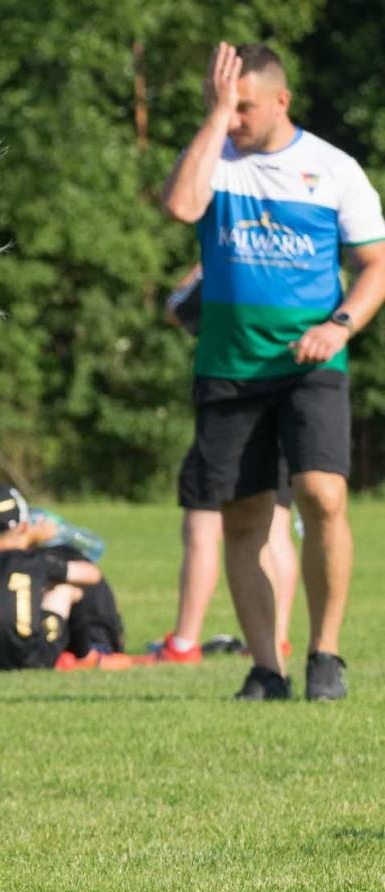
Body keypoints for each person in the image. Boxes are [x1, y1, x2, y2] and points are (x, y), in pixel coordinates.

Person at [161, 42, 385, 699]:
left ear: (282, 101)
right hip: (228, 368)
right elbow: (180, 207)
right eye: (223, 105)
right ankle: (267, 667)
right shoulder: (211, 159)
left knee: (322, 494)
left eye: (245, 108)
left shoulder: (332, 167)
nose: (233, 120)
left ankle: (326, 655)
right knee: (243, 516)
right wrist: (216, 114)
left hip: (309, 362)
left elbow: (376, 264)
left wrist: (337, 325)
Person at [153, 264, 300, 665]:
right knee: (277, 528)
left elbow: (174, 306)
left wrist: (202, 263)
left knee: (202, 527)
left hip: (232, 401)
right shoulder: (288, 271)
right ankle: (275, 638)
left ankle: (184, 641)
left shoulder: (228, 266)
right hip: (288, 397)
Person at [0, 486, 127, 671]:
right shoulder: (35, 561)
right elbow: (92, 574)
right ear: (23, 526)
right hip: (34, 657)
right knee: (67, 589)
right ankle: (85, 654)